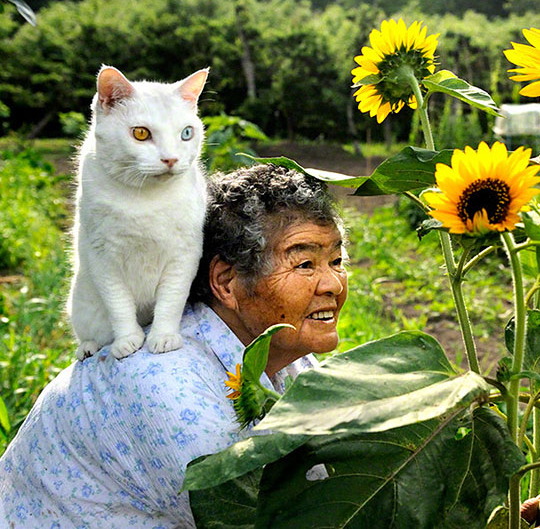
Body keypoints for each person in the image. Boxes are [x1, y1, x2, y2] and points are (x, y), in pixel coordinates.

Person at [0, 164, 348, 528]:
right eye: (305, 263)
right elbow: (264, 519)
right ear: (226, 283)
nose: (333, 284)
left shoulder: (286, 359)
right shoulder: (167, 385)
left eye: (336, 261)